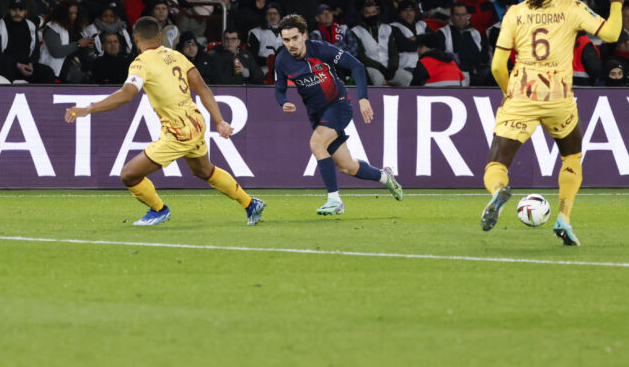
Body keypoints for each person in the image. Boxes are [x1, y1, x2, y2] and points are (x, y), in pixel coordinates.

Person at [65, 16, 265, 227]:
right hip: (195, 122)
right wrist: (219, 121)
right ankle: (250, 204)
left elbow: (126, 94)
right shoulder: (176, 55)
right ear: (160, 36)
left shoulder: (141, 63)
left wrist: (89, 108)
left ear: (135, 38)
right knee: (203, 170)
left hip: (178, 130)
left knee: (129, 175)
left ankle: (159, 210)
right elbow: (203, 88)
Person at [480, 0, 627, 245]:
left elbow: (498, 65)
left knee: (496, 164)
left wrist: (507, 92)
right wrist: (616, 2)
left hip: (522, 95)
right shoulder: (570, 7)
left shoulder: (515, 13)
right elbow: (611, 34)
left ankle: (499, 191)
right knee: (571, 157)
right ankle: (563, 217)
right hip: (559, 97)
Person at [274, 13, 403, 215]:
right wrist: (284, 102)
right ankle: (385, 177)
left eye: (295, 38)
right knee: (347, 166)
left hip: (338, 105)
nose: (291, 44)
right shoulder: (282, 60)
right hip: (316, 114)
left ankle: (335, 201)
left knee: (316, 144)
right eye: (286, 40)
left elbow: (356, 65)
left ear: (304, 36)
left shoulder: (322, 50)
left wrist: (363, 98)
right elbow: (279, 89)